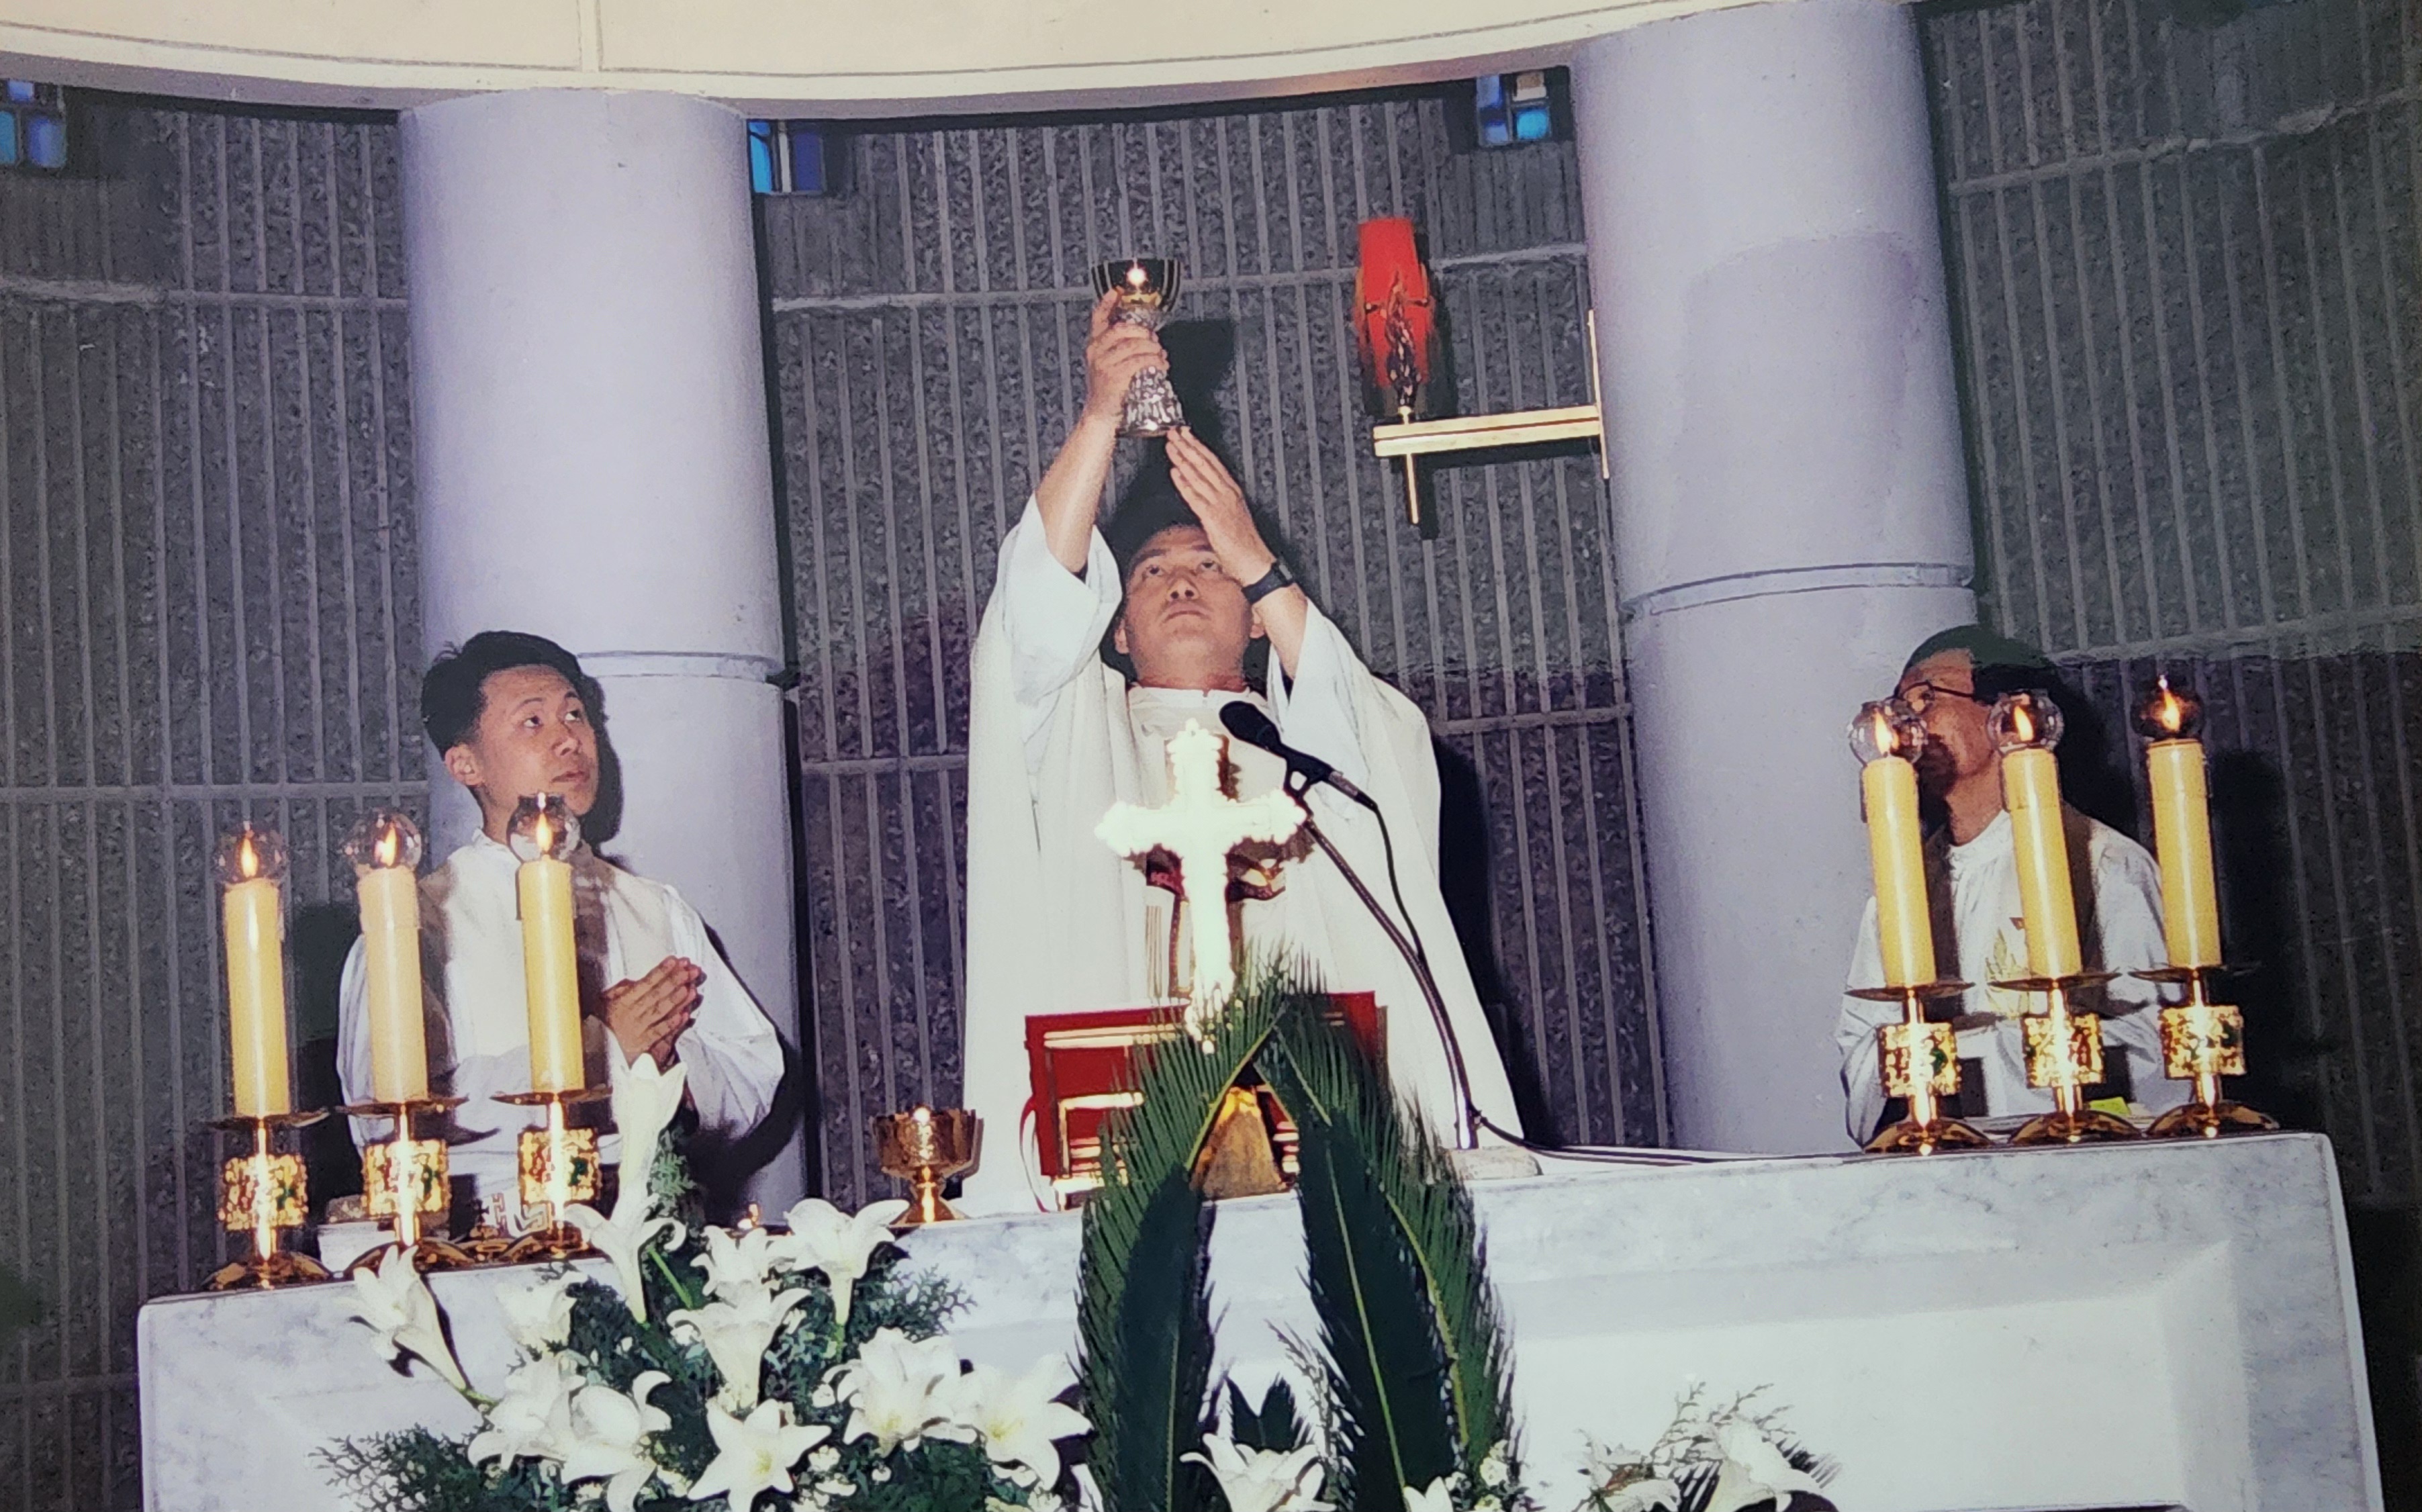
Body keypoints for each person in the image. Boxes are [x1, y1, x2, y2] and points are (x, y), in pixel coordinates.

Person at [958, 290, 1523, 1211]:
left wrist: (1256, 557)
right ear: (1117, 631)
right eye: (1151, 572)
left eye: (1208, 566)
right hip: (1118, 1167)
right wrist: (1099, 420)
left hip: (1325, 1157)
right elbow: (1030, 618)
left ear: (1258, 620)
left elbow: (1377, 751)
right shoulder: (1076, 740)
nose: (1182, 582)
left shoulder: (1309, 755)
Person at [336, 631, 784, 1209]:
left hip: (654, 1215)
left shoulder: (652, 905)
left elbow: (752, 1070)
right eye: (533, 722)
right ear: (466, 763)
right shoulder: (415, 923)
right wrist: (601, 1052)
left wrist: (668, 1066)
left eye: (575, 714)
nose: (569, 739)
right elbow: (385, 1113)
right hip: (491, 1227)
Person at [1835, 626, 2186, 1142]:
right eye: (1900, 707)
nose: (1909, 724)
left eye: (1926, 698)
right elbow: (1863, 1041)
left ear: (2005, 714)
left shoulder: (2103, 863)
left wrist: (1962, 1053)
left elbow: (2154, 1049)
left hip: (2069, 1155)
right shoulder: (1905, 883)